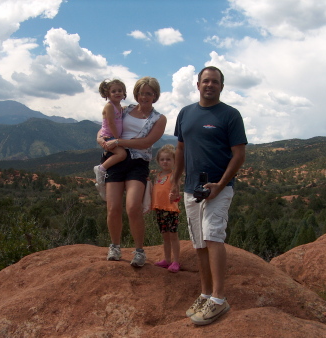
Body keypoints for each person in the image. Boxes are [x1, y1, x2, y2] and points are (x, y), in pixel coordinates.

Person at [170, 66, 247, 325]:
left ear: (222, 86)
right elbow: (180, 149)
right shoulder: (185, 113)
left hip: (220, 188)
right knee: (199, 242)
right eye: (206, 81)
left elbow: (239, 155)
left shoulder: (230, 115)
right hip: (192, 189)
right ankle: (204, 293)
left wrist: (221, 184)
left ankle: (219, 299)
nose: (210, 85)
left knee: (213, 236)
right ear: (198, 84)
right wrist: (174, 180)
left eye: (215, 81)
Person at [97, 76, 167, 267]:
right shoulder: (124, 109)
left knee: (133, 207)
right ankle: (115, 246)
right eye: (141, 93)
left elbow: (146, 142)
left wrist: (119, 142)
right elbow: (105, 125)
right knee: (113, 207)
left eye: (149, 93)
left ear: (155, 95)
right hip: (116, 160)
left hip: (138, 162)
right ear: (135, 94)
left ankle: (139, 251)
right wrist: (100, 138)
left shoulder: (159, 119)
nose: (144, 97)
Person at [94, 79, 128, 201]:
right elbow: (111, 123)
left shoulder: (119, 107)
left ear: (124, 93)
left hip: (113, 137)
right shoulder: (109, 106)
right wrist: (117, 139)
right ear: (107, 94)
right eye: (113, 91)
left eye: (120, 90)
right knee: (122, 154)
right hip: (109, 137)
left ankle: (102, 180)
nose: (117, 93)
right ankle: (101, 169)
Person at [151, 144, 181, 273]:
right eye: (162, 159)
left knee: (173, 235)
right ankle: (167, 259)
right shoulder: (157, 176)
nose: (165, 162)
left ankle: (176, 261)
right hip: (160, 209)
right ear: (158, 161)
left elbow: (177, 192)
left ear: (174, 161)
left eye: (168, 159)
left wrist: (175, 195)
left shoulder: (174, 175)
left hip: (171, 209)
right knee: (165, 236)